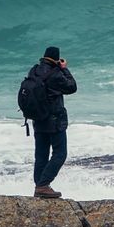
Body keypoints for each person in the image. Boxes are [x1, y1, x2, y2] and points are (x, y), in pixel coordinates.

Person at [28, 46, 77, 198]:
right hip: (54, 121)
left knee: (41, 156)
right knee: (60, 154)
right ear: (56, 59)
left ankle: (39, 187)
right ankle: (43, 185)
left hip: (38, 119)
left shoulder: (34, 71)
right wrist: (64, 69)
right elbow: (72, 87)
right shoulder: (55, 74)